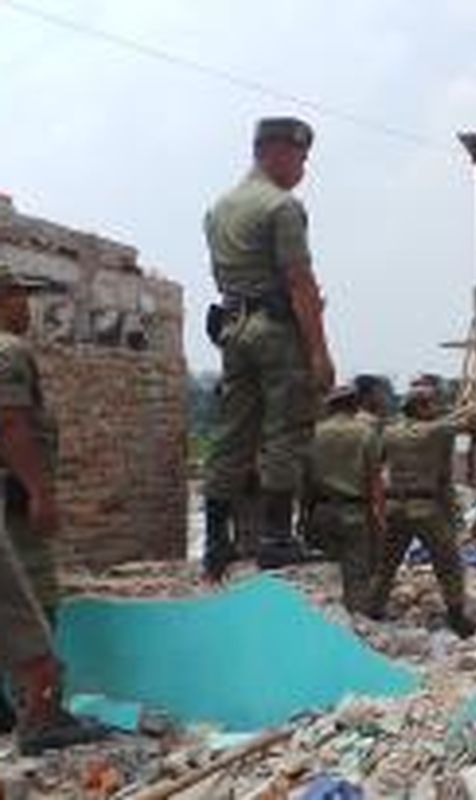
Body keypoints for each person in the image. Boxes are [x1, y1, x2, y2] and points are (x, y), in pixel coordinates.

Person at [201, 116, 336, 581]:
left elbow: (222, 278)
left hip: (232, 326)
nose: (303, 168)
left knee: (232, 433)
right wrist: (319, 353)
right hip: (276, 329)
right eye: (301, 157)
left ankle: (216, 542)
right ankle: (278, 539)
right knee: (287, 429)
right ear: (276, 151)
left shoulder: (218, 209)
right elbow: (300, 282)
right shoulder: (282, 207)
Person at [0, 264, 106, 754]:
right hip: (13, 503)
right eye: (22, 296)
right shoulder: (8, 350)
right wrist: (40, 491)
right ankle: (42, 716)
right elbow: (10, 424)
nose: (27, 308)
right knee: (33, 599)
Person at [375, 375, 476, 636]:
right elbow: (472, 422)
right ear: (421, 407)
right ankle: (456, 615)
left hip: (395, 506)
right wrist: (475, 403)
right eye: (432, 404)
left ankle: (374, 606)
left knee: (387, 561)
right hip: (424, 509)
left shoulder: (390, 432)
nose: (436, 409)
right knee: (448, 561)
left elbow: (377, 464)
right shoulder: (435, 430)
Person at [301, 385, 384, 614]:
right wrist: (379, 516)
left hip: (321, 511)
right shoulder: (366, 433)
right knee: (356, 573)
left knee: (321, 574)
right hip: (354, 513)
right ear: (355, 405)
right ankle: (356, 620)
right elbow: (374, 480)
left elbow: (305, 480)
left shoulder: (315, 433)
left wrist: (304, 516)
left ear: (330, 406)